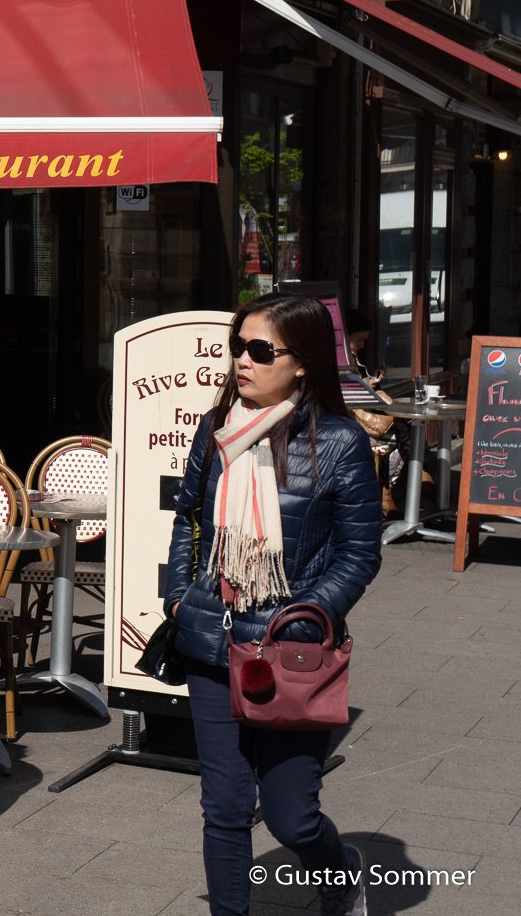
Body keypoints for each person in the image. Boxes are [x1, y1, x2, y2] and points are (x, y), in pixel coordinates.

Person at [164, 294, 382, 916]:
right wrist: (180, 597)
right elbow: (189, 517)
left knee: (291, 817)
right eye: (237, 346)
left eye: (261, 350)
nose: (242, 361)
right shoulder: (217, 428)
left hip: (291, 652)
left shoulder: (339, 442)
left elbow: (360, 554)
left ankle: (341, 872)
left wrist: (309, 616)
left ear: (304, 361)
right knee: (225, 808)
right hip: (211, 640)